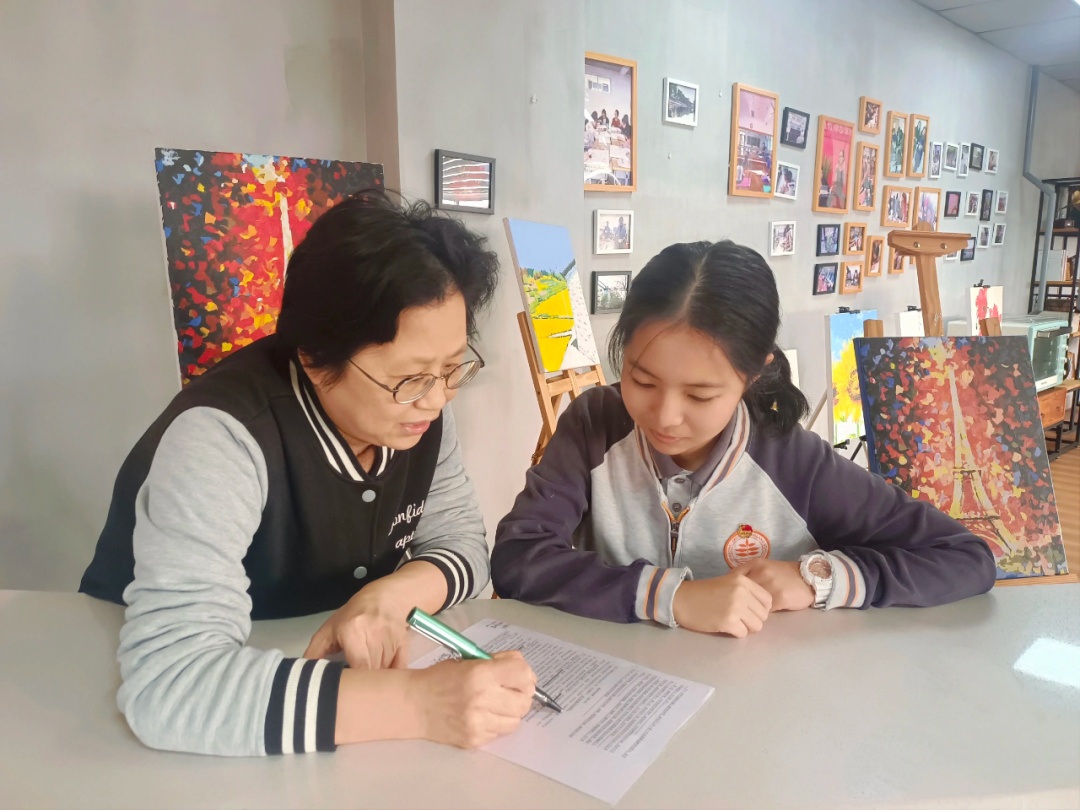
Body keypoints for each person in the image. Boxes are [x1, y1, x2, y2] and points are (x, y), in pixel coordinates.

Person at [80, 192, 537, 755]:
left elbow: (462, 544)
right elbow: (173, 686)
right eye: (410, 378)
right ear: (317, 360)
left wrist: (390, 596)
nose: (437, 399)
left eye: (452, 368)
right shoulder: (224, 438)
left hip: (297, 698)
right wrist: (421, 704)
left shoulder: (419, 416)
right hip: (145, 722)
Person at [490, 240, 996, 637]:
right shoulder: (593, 424)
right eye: (641, 381)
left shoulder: (793, 462)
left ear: (753, 375)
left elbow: (964, 557)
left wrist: (818, 578)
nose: (664, 416)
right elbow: (517, 558)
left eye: (700, 395)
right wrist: (672, 596)